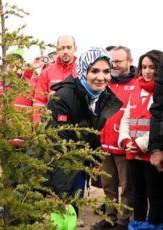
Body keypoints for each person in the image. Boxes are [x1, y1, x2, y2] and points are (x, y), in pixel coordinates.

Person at [46, 47, 122, 227]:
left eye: (106, 71)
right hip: (49, 162)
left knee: (72, 212)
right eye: (94, 71)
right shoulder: (63, 97)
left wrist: (95, 156)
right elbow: (56, 142)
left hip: (77, 162)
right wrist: (62, 192)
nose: (101, 77)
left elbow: (92, 129)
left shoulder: (101, 97)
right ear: (83, 70)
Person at [118, 50, 163, 228]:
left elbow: (159, 121)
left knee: (155, 193)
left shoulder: (159, 92)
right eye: (144, 67)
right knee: (138, 192)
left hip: (151, 152)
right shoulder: (136, 87)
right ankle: (138, 222)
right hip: (133, 152)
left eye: (152, 67)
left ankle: (154, 224)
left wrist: (140, 144)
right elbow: (126, 117)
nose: (147, 71)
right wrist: (125, 140)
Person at [93, 46, 137, 230]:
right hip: (105, 143)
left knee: (127, 187)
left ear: (130, 61)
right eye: (113, 61)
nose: (115, 65)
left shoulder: (137, 83)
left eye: (119, 61)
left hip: (124, 145)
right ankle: (110, 217)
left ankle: (123, 221)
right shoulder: (105, 83)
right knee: (108, 185)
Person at [33, 35, 78, 108]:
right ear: (57, 50)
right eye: (62, 48)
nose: (65, 51)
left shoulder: (81, 71)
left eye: (69, 47)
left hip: (75, 119)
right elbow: (38, 101)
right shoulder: (46, 72)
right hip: (52, 118)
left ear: (75, 49)